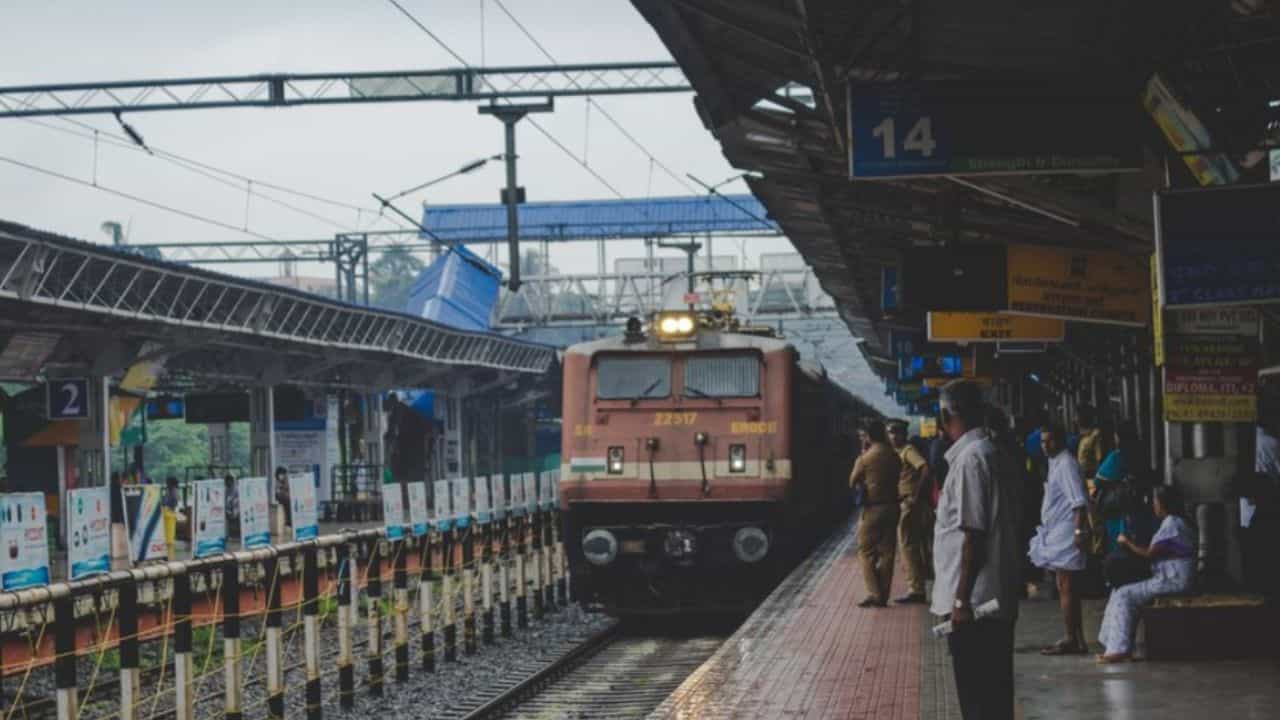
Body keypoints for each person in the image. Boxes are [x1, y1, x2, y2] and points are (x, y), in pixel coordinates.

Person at [933, 381, 1020, 720]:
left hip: (976, 607)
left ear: (946, 416)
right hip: (993, 599)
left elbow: (974, 535)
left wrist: (960, 601)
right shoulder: (993, 452)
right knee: (995, 698)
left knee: (978, 701)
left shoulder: (971, 460)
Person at [1097, 485, 1195, 663]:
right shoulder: (1174, 522)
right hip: (1168, 577)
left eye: (1155, 501)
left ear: (1163, 503)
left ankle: (1119, 649)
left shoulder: (1173, 523)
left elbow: (1150, 553)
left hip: (1173, 580)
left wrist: (1127, 542)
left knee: (1125, 595)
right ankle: (1110, 643)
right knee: (1119, 590)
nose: (1153, 505)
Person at [1028, 423, 1090, 655]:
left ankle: (1071, 639)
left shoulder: (1066, 464)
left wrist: (1078, 532)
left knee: (1066, 587)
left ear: (1061, 440)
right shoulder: (1055, 463)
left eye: (1050, 440)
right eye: (1043, 441)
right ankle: (1077, 638)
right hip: (1057, 531)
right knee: (1067, 587)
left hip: (1067, 532)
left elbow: (1079, 503)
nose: (1045, 445)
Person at [849, 420, 902, 608]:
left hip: (873, 509)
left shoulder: (865, 458)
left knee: (866, 551)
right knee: (888, 552)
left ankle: (874, 593)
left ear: (869, 436)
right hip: (892, 507)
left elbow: (852, 481)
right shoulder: (894, 456)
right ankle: (884, 596)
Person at [889, 420, 931, 603]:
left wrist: (916, 495)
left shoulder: (908, 451)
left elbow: (925, 469)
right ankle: (916, 586)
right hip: (905, 502)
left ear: (903, 434)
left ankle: (916, 590)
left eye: (895, 432)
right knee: (910, 545)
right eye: (890, 432)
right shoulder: (898, 452)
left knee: (907, 546)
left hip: (908, 503)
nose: (892, 436)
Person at [1075, 405, 1107, 481]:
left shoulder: (1095, 435)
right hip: (1081, 477)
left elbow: (1099, 460)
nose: (1075, 419)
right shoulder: (1081, 436)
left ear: (1083, 417)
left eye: (1076, 416)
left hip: (1091, 478)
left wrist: (1095, 481)